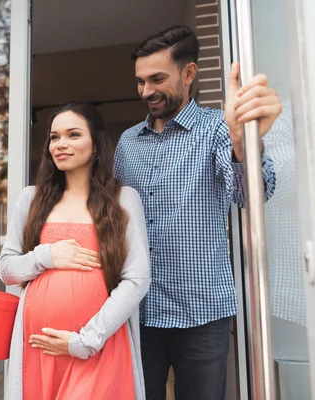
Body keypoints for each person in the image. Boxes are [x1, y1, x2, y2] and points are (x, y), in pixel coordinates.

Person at [113, 25, 281, 399]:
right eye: (140, 81)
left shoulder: (218, 129)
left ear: (189, 74)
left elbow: (253, 193)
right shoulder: (126, 143)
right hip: (139, 309)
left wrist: (242, 140)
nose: (146, 91)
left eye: (157, 79)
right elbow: (112, 220)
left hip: (201, 313)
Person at [0, 102, 151, 400]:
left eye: (73, 134)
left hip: (96, 345)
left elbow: (137, 279)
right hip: (38, 347)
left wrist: (85, 340)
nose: (61, 144)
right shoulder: (31, 199)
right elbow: (7, 270)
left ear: (96, 146)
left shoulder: (123, 200)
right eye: (54, 137)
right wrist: (46, 256)